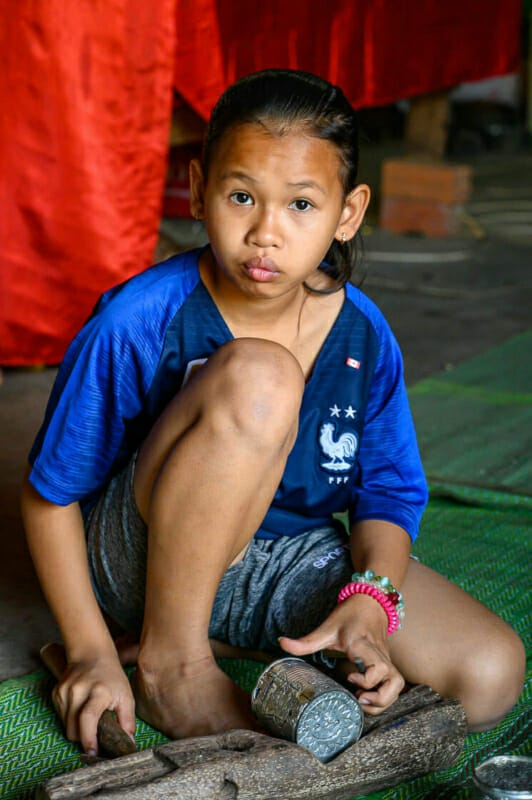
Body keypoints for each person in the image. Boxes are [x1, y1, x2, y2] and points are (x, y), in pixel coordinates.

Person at [21, 69, 525, 757]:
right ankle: (172, 664)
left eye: (300, 206)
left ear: (347, 214)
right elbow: (48, 498)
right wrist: (88, 651)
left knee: (491, 673)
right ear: (199, 191)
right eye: (240, 196)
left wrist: (368, 605)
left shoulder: (364, 335)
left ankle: (237, 635)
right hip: (140, 554)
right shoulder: (142, 318)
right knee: (263, 377)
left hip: (286, 557)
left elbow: (388, 493)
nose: (265, 232)